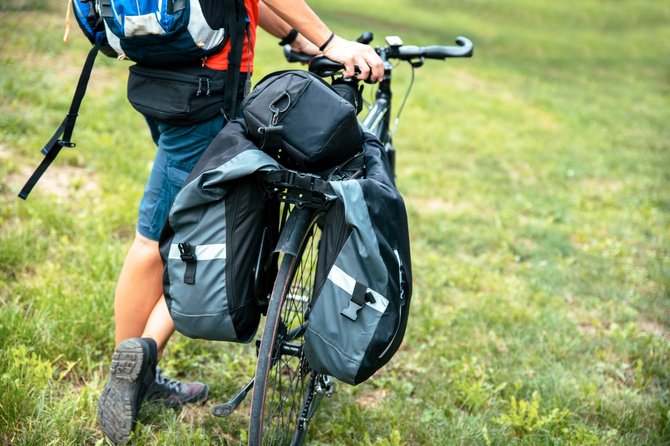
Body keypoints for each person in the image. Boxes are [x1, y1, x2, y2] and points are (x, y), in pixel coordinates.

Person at [96, 0, 384, 444]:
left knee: (162, 229)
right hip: (205, 87)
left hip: (160, 72)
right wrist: (331, 42)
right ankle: (138, 363)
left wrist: (294, 38)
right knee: (171, 236)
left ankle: (132, 368)